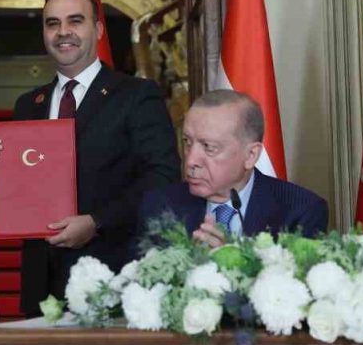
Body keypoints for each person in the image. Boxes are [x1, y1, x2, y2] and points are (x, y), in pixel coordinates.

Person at [0, 0, 179, 317]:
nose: (63, 32)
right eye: (53, 23)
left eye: (75, 21)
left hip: (113, 277)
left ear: (98, 29)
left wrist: (97, 222)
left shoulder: (136, 95)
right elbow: (27, 186)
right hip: (42, 285)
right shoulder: (28, 104)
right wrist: (2, 160)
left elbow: (163, 177)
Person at [139, 89, 328, 246]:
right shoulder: (159, 206)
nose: (191, 161)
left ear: (251, 155)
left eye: (209, 147)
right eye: (187, 142)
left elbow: (295, 279)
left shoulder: (300, 211)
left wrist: (230, 263)